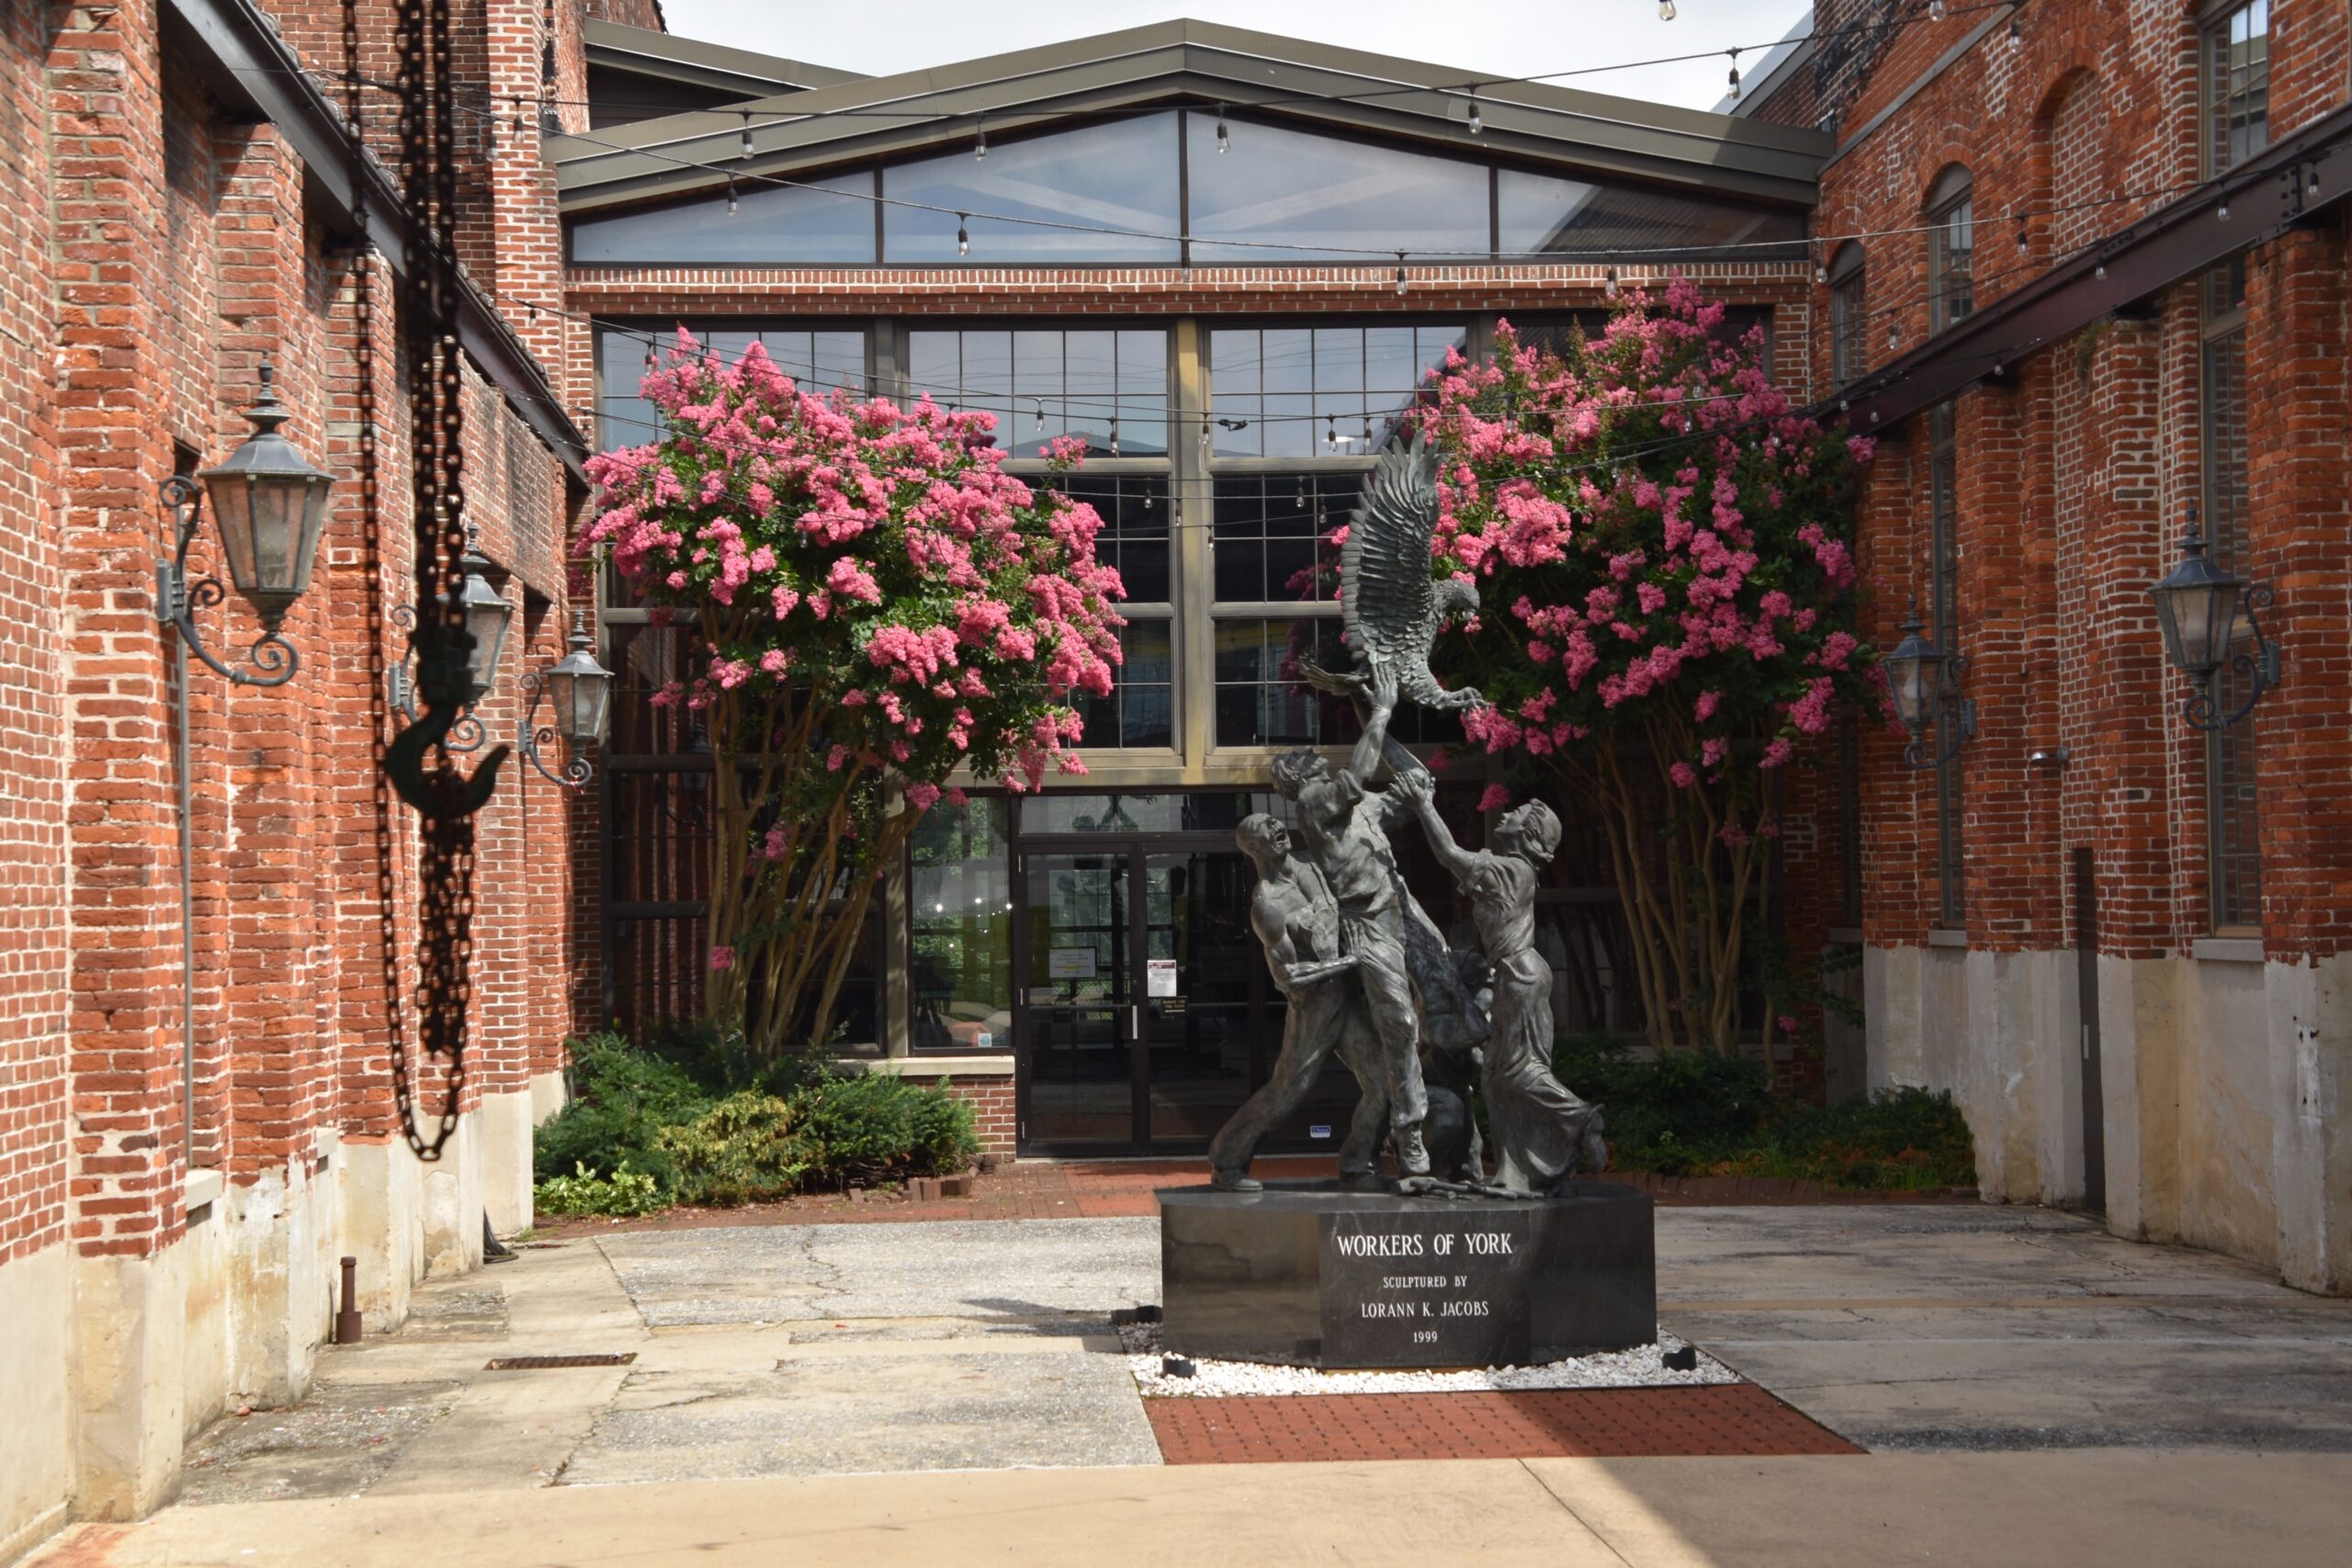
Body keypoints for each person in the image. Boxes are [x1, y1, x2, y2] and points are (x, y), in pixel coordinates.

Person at [1267, 660, 1442, 1176]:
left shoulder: (1358, 808)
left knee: (1451, 1008)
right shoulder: (1314, 805)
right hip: (1367, 927)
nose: (1314, 754)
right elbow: (1358, 773)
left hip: (1404, 911)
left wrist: (1362, 699)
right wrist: (1382, 711)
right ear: (1296, 777)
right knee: (1400, 1022)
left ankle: (1450, 1134)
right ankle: (1410, 1133)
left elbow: (1414, 781)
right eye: (1305, 756)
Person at [1393, 771, 1603, 1193]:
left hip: (1520, 976)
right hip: (1514, 974)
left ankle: (1580, 1117)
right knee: (1493, 1080)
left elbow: (1449, 853)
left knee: (1518, 1071)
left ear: (1526, 834)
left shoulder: (1511, 870)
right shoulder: (1514, 870)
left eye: (1517, 813)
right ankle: (1512, 1174)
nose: (1506, 813)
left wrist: (1422, 804)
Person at [1206, 814, 1389, 1190]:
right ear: (1254, 848)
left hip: (1347, 998)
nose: (1276, 829)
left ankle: (1357, 1164)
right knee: (1287, 1091)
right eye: (1264, 830)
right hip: (1314, 1008)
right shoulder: (1267, 903)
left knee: (1382, 1082)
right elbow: (1287, 977)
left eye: (1275, 822)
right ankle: (1227, 1160)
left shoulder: (1312, 864)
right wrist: (1347, 962)